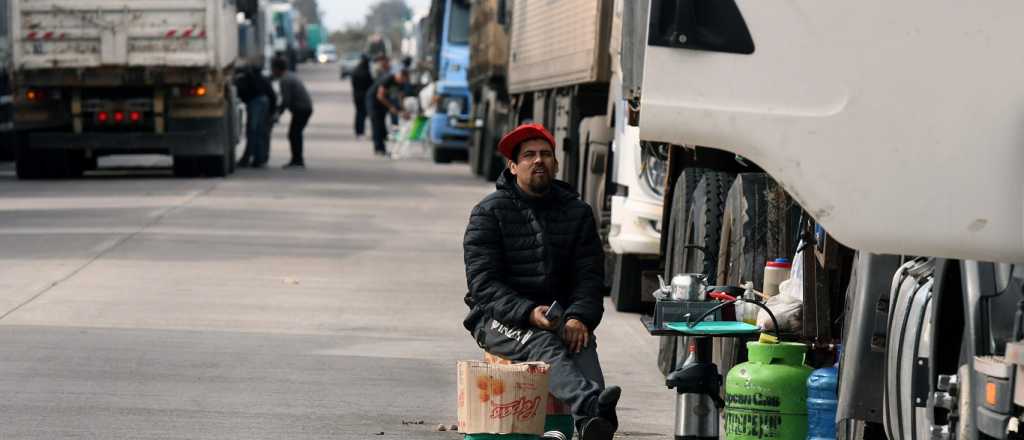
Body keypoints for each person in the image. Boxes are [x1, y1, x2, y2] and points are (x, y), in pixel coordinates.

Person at [462, 123, 620, 440]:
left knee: (580, 339)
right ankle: (593, 409)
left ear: (556, 164)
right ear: (513, 165)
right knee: (541, 341)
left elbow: (589, 277)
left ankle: (591, 425)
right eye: (529, 155)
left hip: (559, 314)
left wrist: (579, 316)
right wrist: (528, 312)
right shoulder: (488, 213)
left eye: (546, 154)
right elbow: (484, 284)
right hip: (498, 318)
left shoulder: (577, 212)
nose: (538, 161)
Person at [271, 57, 313, 169]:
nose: (272, 72)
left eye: (273, 69)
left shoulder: (285, 80)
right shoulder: (289, 75)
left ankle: (298, 161)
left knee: (294, 134)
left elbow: (286, 100)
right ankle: (297, 159)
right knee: (294, 134)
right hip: (304, 108)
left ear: (277, 69)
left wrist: (277, 113)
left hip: (301, 109)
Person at [234, 66, 277, 168]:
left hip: (255, 103)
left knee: (252, 131)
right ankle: (259, 159)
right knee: (260, 132)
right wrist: (272, 112)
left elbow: (240, 93)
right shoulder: (262, 79)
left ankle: (248, 159)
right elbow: (272, 95)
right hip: (264, 102)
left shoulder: (243, 79)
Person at [366, 68, 410, 156]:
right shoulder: (388, 79)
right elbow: (380, 95)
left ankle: (382, 148)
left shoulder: (400, 84)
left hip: (383, 103)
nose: (403, 81)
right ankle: (378, 149)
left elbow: (400, 97)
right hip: (374, 102)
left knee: (382, 125)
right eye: (403, 79)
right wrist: (391, 107)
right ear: (399, 75)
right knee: (377, 125)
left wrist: (403, 110)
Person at [350, 54, 373, 138]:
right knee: (362, 114)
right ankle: (360, 131)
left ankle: (358, 131)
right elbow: (370, 84)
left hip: (356, 95)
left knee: (359, 113)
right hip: (363, 96)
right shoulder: (366, 71)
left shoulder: (356, 70)